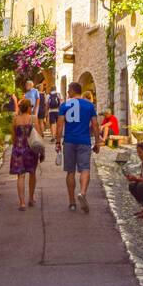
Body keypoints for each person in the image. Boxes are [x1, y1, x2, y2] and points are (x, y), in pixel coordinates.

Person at [56, 80, 99, 213]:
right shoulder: (89, 105)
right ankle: (83, 193)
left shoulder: (64, 105)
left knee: (70, 171)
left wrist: (58, 142)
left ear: (74, 90)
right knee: (85, 169)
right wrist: (97, 142)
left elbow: (60, 125)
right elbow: (95, 125)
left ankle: (72, 202)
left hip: (69, 141)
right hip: (84, 141)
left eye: (69, 90)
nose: (68, 92)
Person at [10, 96, 42, 210]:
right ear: (28, 108)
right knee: (32, 173)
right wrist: (41, 151)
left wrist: (16, 146)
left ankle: (22, 203)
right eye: (31, 107)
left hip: (18, 148)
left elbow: (13, 136)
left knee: (21, 175)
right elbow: (39, 134)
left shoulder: (15, 119)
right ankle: (31, 198)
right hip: (30, 149)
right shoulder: (33, 118)